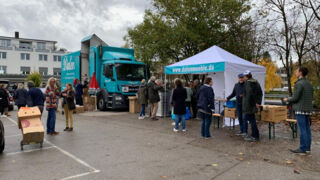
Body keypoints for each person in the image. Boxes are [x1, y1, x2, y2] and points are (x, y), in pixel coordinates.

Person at [283, 67, 313, 155]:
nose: (295, 72)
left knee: (302, 129)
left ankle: (302, 149)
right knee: (307, 129)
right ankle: (307, 148)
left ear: (300, 73)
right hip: (308, 109)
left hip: (300, 109)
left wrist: (287, 99)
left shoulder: (299, 84)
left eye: (297, 71)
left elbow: (295, 98)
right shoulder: (308, 84)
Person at [242, 70, 263, 142]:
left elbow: (249, 95)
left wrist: (246, 105)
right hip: (253, 105)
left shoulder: (248, 83)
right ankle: (255, 135)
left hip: (249, 105)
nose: (243, 78)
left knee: (252, 121)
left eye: (244, 76)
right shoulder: (255, 82)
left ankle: (255, 136)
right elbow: (260, 93)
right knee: (252, 120)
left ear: (246, 76)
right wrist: (258, 102)